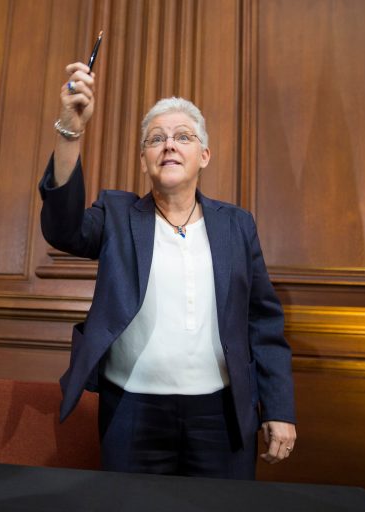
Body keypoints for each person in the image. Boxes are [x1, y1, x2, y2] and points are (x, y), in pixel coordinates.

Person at [39, 61, 296, 479]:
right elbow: (63, 230)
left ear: (204, 155)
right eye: (156, 139)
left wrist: (280, 406)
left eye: (182, 137)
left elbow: (263, 322)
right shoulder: (118, 215)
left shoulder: (237, 225)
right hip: (132, 412)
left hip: (221, 415)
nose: (169, 145)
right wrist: (70, 129)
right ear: (144, 160)